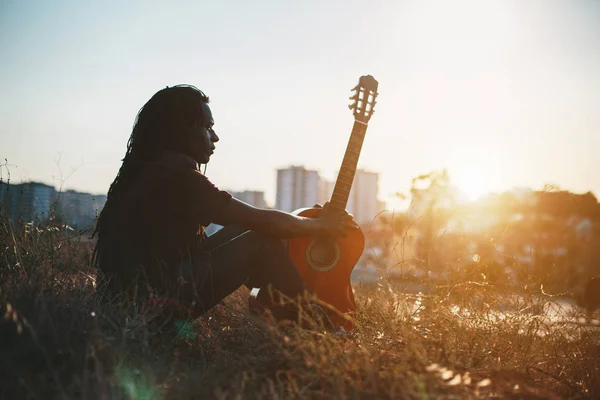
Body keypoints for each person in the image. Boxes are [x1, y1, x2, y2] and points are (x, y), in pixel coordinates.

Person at [92, 85, 355, 325]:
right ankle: (323, 329)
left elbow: (250, 226)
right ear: (181, 130)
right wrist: (321, 226)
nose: (215, 137)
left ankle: (283, 317)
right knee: (261, 242)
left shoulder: (155, 169)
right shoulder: (176, 176)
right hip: (146, 311)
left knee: (251, 235)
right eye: (207, 127)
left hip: (135, 301)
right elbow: (262, 220)